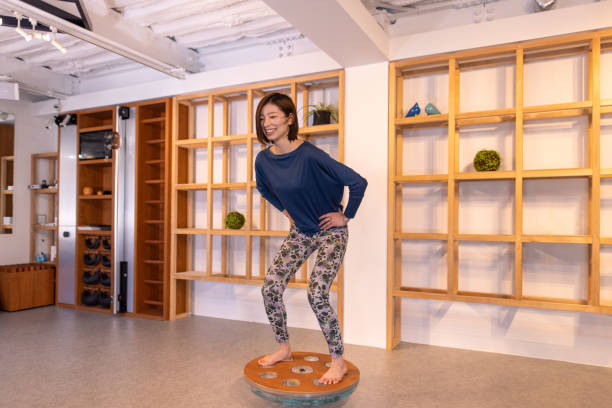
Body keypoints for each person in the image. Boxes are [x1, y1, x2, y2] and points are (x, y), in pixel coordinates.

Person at [254, 93, 367, 385]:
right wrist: (285, 209)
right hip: (301, 232)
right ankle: (284, 348)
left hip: (331, 233)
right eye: (263, 117)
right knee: (270, 288)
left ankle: (338, 361)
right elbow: (264, 189)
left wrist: (346, 215)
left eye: (274, 116)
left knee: (316, 293)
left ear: (290, 119)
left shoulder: (310, 154)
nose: (267, 123)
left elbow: (357, 181)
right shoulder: (264, 160)